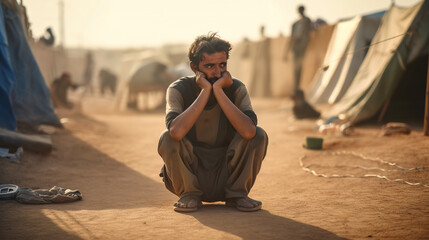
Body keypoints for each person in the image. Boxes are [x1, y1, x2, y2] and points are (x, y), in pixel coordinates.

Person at [157, 33, 268, 212]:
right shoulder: (178, 89)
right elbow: (176, 133)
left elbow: (249, 132)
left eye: (222, 65)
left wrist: (219, 91)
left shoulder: (236, 88)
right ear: (194, 67)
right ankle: (189, 195)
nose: (217, 72)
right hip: (191, 174)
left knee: (259, 134)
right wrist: (205, 91)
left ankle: (237, 195)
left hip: (226, 172)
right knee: (166, 137)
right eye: (210, 66)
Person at [284, 5, 312, 94]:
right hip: (296, 48)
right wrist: (286, 52)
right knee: (296, 68)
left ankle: (298, 87)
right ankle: (296, 87)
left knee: (300, 67)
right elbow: (291, 38)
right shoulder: (295, 24)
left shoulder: (307, 21)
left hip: (303, 47)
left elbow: (310, 32)